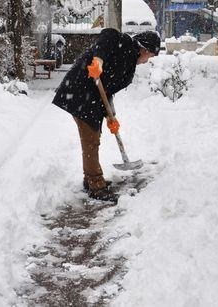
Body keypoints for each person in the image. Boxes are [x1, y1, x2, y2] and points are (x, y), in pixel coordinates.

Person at [53, 28, 161, 202]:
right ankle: (96, 186)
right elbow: (107, 34)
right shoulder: (122, 42)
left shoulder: (130, 64)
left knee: (94, 137)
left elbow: (108, 90)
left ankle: (90, 179)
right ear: (145, 49)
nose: (148, 60)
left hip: (93, 98)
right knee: (91, 140)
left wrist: (111, 116)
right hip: (80, 92)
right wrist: (98, 59)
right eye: (150, 56)